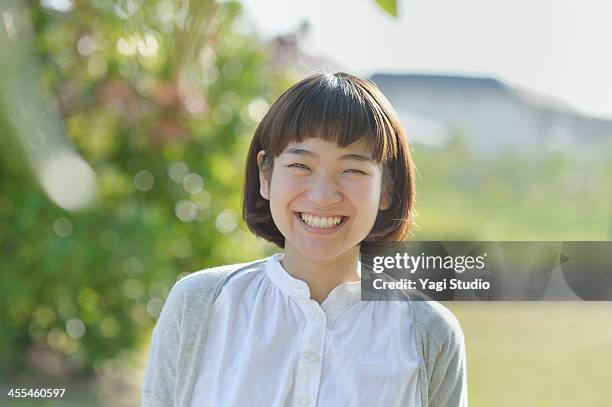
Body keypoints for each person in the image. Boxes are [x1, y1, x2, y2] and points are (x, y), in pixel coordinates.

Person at [141, 72, 467, 407]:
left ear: (386, 188)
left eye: (352, 170)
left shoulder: (429, 333)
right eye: (301, 165)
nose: (323, 196)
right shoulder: (200, 304)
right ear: (266, 175)